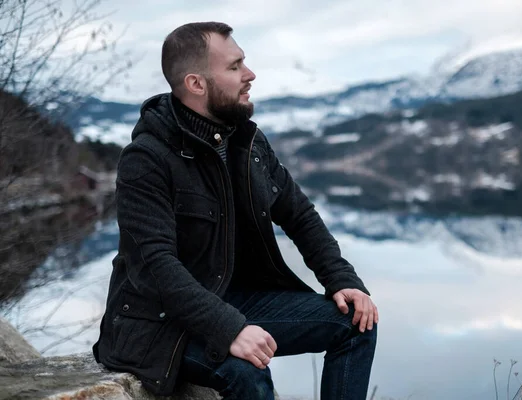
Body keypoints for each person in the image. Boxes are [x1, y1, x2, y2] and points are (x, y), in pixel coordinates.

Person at [93, 21, 378, 400]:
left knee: (356, 322)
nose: (250, 74)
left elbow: (299, 215)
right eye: (234, 67)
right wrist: (229, 329)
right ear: (196, 83)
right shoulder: (147, 159)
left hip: (229, 302)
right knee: (247, 371)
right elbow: (156, 267)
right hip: (159, 324)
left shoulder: (247, 142)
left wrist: (342, 280)